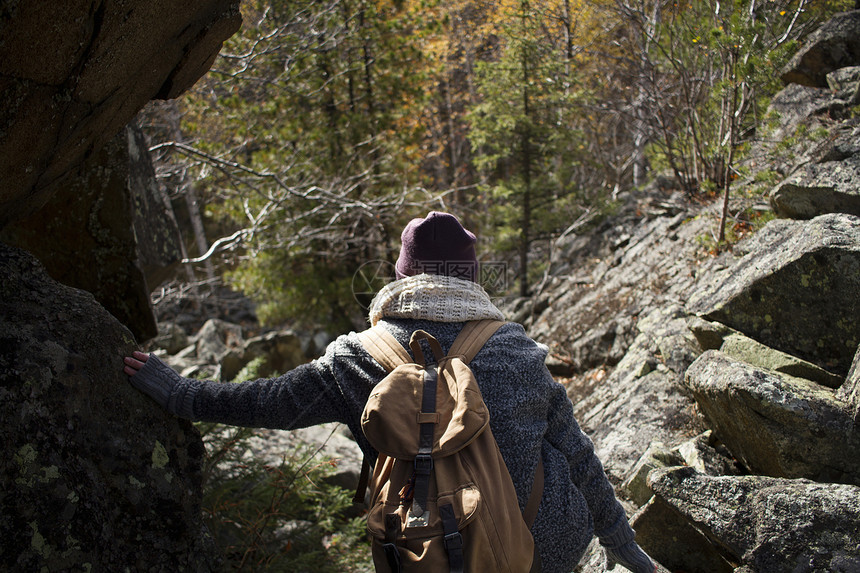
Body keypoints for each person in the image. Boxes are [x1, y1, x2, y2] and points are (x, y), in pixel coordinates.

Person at [124, 211, 656, 573]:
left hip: (427, 551)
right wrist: (627, 549)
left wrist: (179, 394)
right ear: (470, 279)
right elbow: (580, 457)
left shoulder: (356, 358)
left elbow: (269, 402)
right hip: (543, 550)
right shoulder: (518, 351)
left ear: (401, 276)